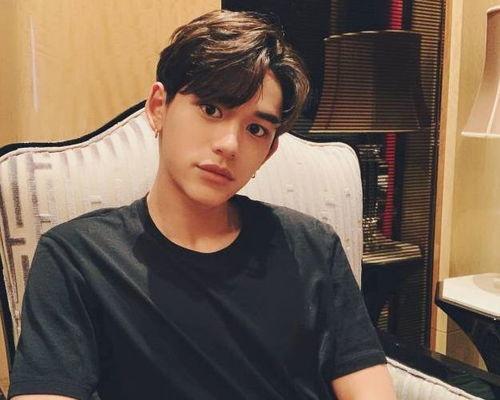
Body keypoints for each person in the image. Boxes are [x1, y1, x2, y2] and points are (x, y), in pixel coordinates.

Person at [8, 10, 396, 400]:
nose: (229, 145)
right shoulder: (78, 258)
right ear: (158, 107)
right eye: (211, 110)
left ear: (268, 151)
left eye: (256, 129)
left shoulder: (311, 246)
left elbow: (368, 387)